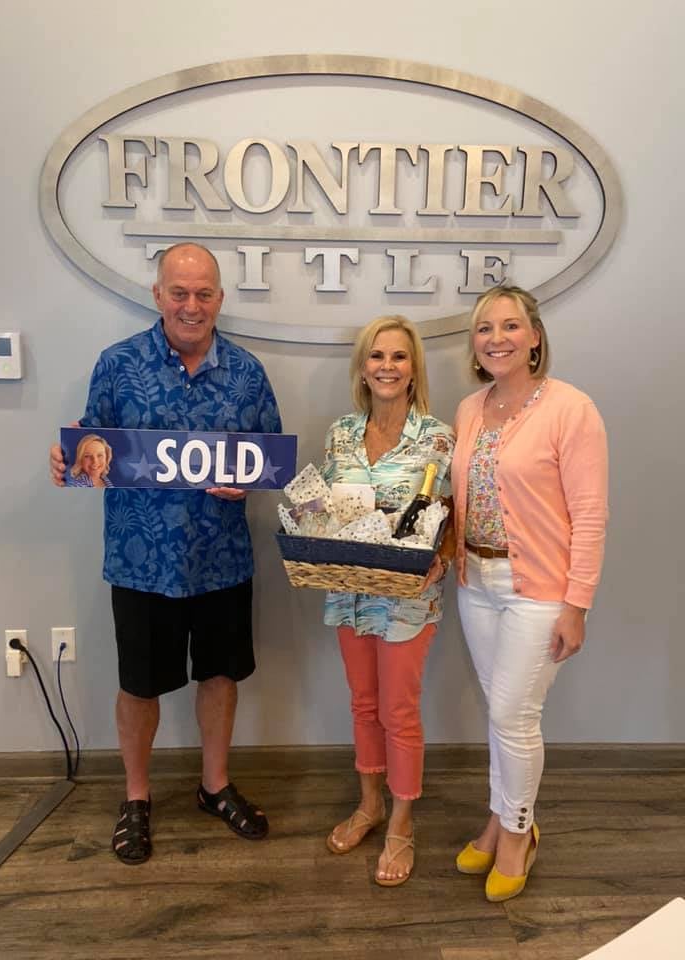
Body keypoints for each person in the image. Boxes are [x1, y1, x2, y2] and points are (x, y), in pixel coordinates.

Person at [50, 243, 282, 864]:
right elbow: (91, 443)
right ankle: (136, 798)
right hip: (140, 562)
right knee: (139, 685)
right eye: (179, 292)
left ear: (220, 299)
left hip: (221, 559)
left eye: (203, 293)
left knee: (220, 675)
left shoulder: (248, 372)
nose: (191, 305)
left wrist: (251, 480)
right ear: (158, 295)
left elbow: (270, 458)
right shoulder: (117, 364)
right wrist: (68, 456)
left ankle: (214, 786)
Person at [451, 284, 608, 901]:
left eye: (511, 326)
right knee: (500, 712)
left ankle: (518, 832)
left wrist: (577, 604)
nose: (497, 339)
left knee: (513, 716)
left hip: (539, 591)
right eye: (485, 328)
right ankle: (499, 820)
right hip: (476, 582)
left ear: (535, 336)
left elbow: (590, 515)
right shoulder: (469, 409)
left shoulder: (571, 409)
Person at [320, 315, 455, 887]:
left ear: (413, 369)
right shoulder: (340, 435)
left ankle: (401, 821)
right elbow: (327, 510)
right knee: (363, 703)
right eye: (377, 356)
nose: (387, 366)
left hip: (406, 600)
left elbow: (454, 515)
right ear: (363, 368)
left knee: (398, 711)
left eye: (399, 357)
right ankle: (369, 804)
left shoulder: (438, 437)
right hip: (347, 594)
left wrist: (442, 559)